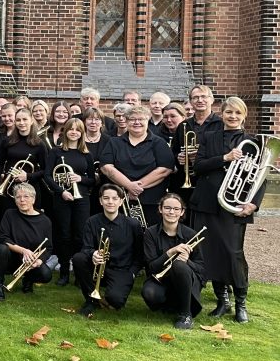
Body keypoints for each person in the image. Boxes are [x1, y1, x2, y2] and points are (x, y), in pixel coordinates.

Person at [190, 96, 260, 323]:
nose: (233, 116)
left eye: (238, 113)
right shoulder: (209, 137)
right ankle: (222, 301)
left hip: (234, 205)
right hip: (207, 203)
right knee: (210, 253)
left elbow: (261, 177)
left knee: (232, 253)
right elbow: (198, 167)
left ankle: (241, 303)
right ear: (222, 114)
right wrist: (224, 158)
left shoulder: (252, 142)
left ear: (244, 116)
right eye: (229, 112)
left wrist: (253, 204)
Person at [73, 184, 143, 317]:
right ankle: (91, 300)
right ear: (100, 201)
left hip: (121, 269)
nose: (110, 202)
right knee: (78, 258)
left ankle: (108, 296)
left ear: (121, 201)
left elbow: (139, 254)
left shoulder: (133, 224)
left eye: (115, 198)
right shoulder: (91, 222)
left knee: (116, 301)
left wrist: (132, 273)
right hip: (98, 266)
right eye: (106, 198)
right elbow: (86, 248)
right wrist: (93, 253)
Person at [43, 117, 96, 286]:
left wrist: (80, 178)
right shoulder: (56, 152)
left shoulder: (86, 154)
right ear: (65, 131)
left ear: (82, 133)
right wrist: (62, 192)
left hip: (82, 198)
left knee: (80, 235)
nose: (74, 132)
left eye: (78, 130)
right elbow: (47, 176)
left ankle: (80, 274)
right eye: (71, 129)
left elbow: (92, 180)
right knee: (64, 235)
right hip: (62, 198)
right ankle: (64, 272)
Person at [100, 105, 174, 225]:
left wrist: (135, 188)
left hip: (151, 200)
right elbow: (106, 167)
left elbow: (165, 169)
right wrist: (129, 185)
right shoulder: (114, 142)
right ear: (126, 121)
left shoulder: (159, 142)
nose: (136, 122)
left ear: (147, 121)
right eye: (132, 119)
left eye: (141, 119)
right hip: (120, 199)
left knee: (150, 232)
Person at [142, 193, 204, 329]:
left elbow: (201, 269)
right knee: (149, 293)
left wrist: (187, 262)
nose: (171, 212)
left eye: (176, 209)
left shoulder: (191, 234)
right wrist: (170, 252)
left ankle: (186, 314)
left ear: (182, 212)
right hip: (162, 280)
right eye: (167, 208)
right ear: (160, 209)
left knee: (179, 266)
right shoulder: (150, 233)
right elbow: (151, 267)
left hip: (187, 281)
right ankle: (171, 306)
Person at [0, 183, 53, 300]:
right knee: (1, 249)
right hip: (12, 259)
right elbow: (3, 238)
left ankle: (28, 279)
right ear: (15, 200)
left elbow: (48, 248)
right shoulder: (9, 214)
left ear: (33, 199)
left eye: (26, 196)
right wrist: (23, 251)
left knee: (46, 275)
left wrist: (38, 262)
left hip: (30, 262)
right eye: (18, 197)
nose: (22, 200)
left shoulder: (45, 221)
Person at [0, 108, 47, 222]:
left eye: (25, 119)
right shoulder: (8, 141)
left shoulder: (39, 144)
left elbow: (46, 170)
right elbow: (0, 162)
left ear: (31, 121)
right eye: (18, 120)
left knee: (30, 220)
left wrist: (27, 176)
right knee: (9, 218)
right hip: (9, 186)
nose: (21, 123)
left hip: (30, 188)